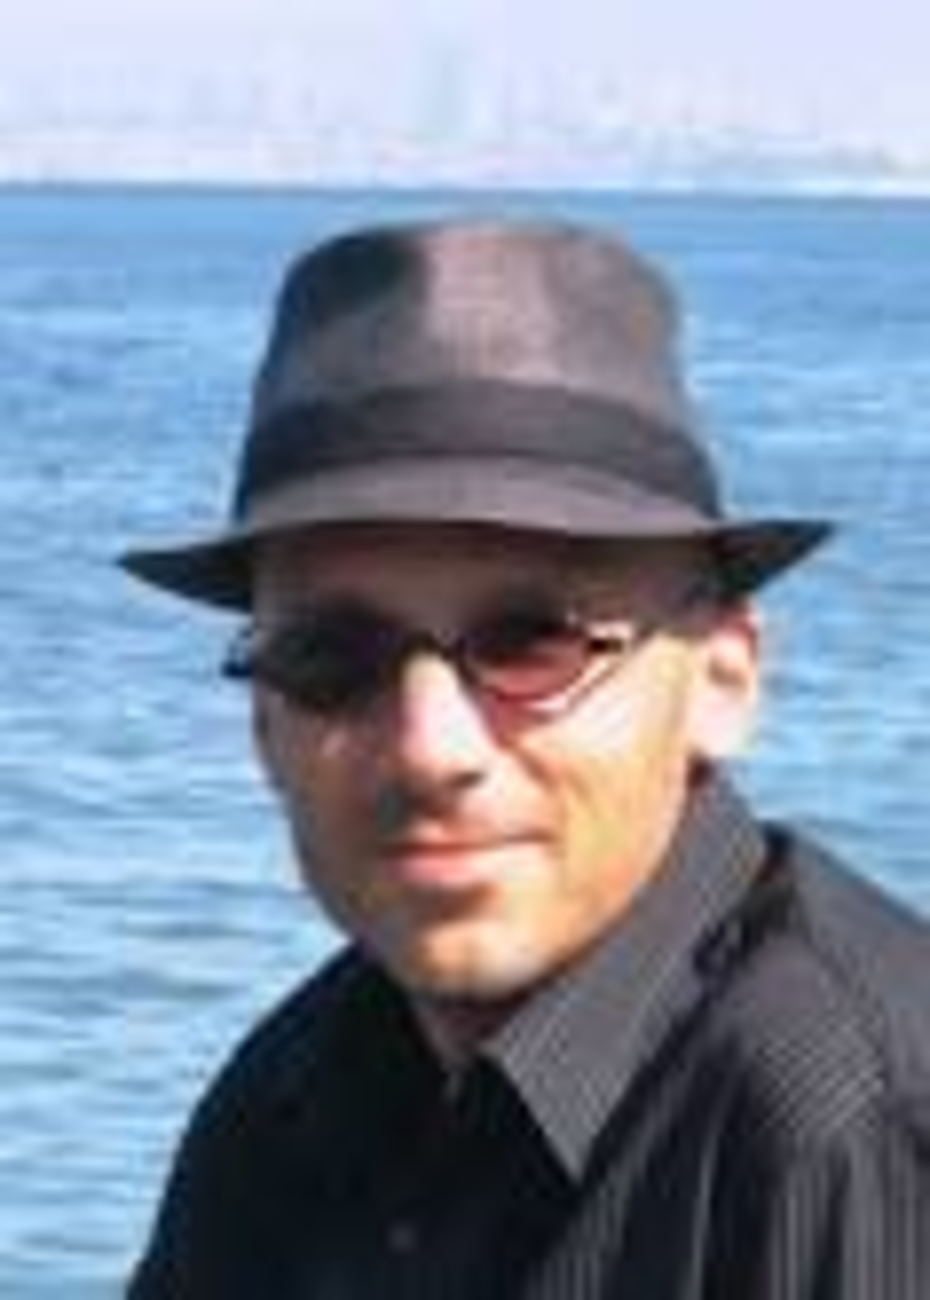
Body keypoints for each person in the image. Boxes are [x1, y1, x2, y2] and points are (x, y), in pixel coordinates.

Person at [123, 216, 929, 1299]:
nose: (432, 748)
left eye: (531, 643)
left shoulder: (849, 1129)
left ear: (722, 680)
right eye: (331, 657)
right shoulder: (296, 1098)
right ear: (264, 721)